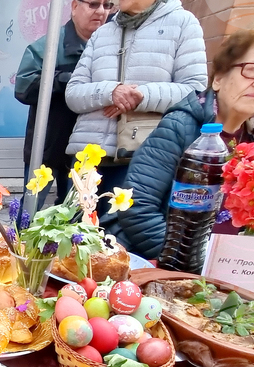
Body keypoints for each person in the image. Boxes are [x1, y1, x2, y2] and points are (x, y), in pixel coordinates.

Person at [114, 20, 254, 258]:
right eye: (252, 69)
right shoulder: (181, 126)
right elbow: (137, 206)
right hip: (161, 263)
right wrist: (188, 263)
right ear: (218, 78)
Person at [65, 0, 207, 235]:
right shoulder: (103, 33)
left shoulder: (183, 23)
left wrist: (141, 96)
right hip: (89, 155)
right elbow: (73, 93)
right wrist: (111, 91)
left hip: (141, 158)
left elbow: (195, 91)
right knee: (71, 238)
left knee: (120, 240)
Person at [15, 0, 112, 209]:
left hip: (88, 147)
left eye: (108, 5)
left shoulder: (111, 48)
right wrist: (67, 80)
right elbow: (23, 88)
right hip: (48, 144)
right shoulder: (48, 46)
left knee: (77, 213)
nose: (101, 11)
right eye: (94, 4)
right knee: (29, 211)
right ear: (75, 6)